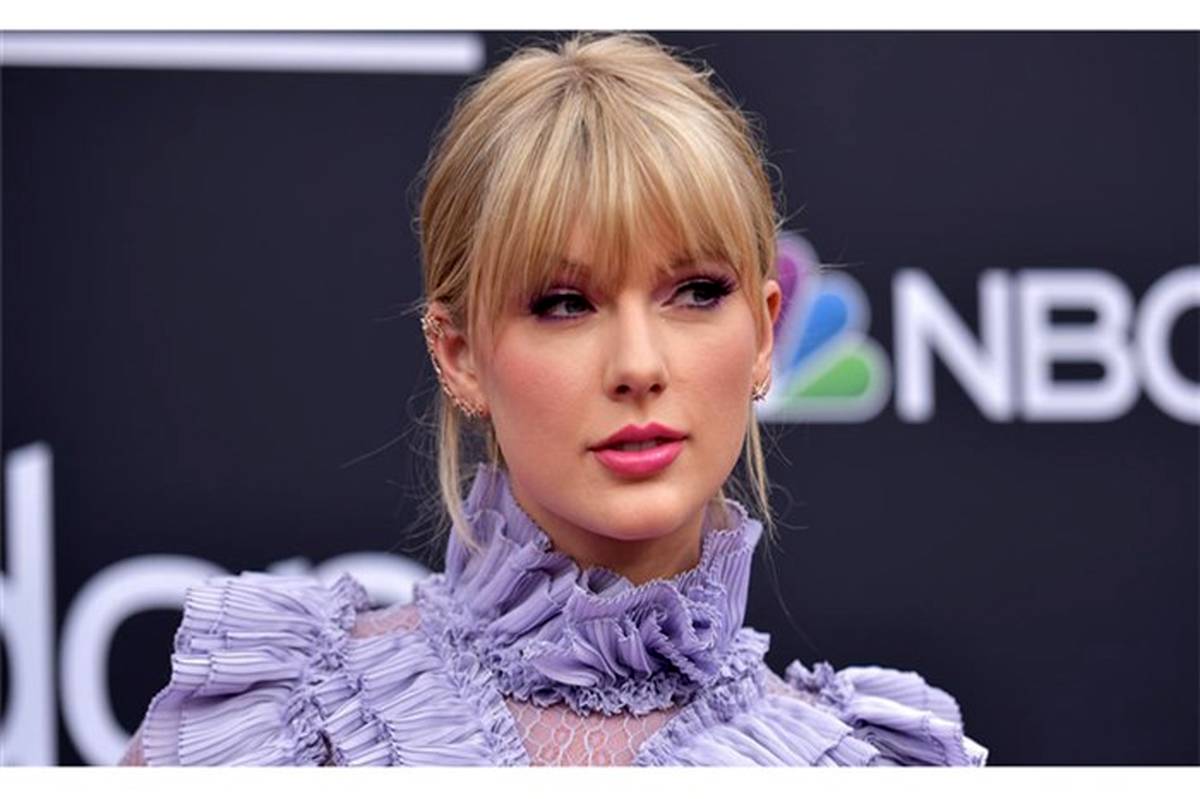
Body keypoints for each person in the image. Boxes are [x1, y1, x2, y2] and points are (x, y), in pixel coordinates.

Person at [119, 31, 988, 767]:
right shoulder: (288, 727)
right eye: (565, 303)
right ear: (459, 353)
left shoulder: (865, 765)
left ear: (764, 333)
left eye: (695, 292)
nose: (638, 364)